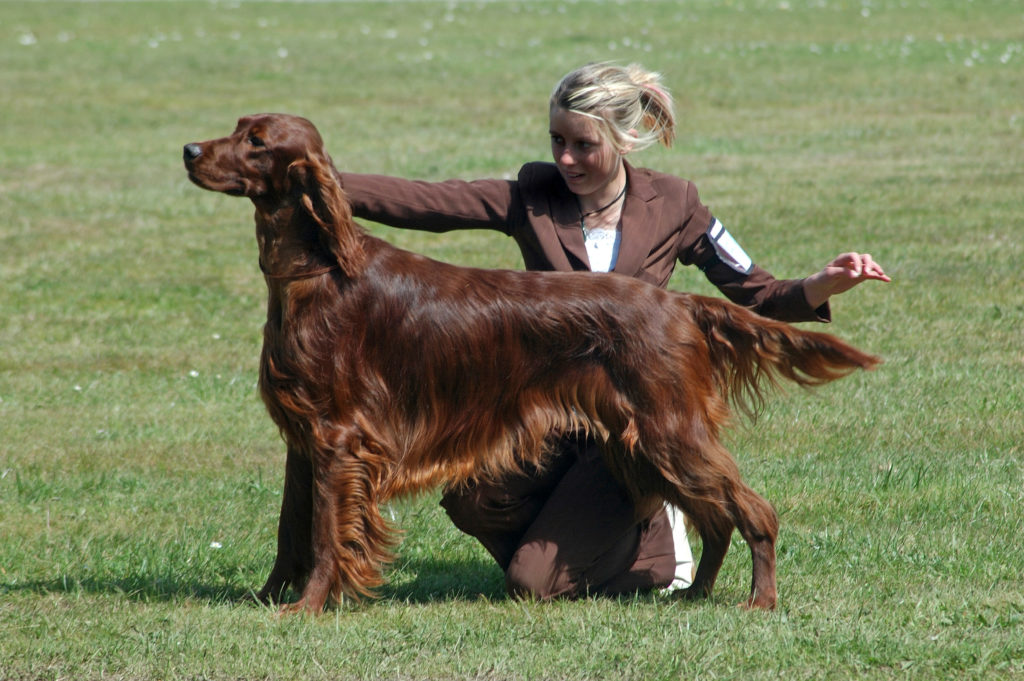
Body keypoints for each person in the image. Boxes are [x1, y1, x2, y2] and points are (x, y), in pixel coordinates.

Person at [337, 62, 890, 600]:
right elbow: (427, 201)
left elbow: (759, 292)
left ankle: (648, 549)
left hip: (629, 428)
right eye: (557, 141)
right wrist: (317, 177)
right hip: (545, 422)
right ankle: (580, 548)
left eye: (583, 145)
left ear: (623, 140)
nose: (566, 158)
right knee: (472, 496)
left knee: (531, 584)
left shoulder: (675, 203)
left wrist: (821, 285)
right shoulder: (535, 193)